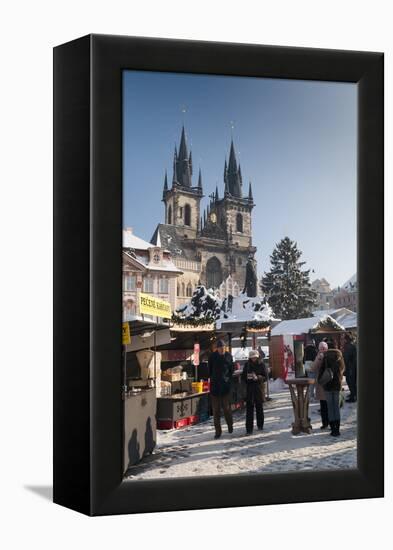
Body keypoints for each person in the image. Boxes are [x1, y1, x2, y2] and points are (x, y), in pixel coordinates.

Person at [318, 339, 345, 436]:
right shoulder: (339, 356)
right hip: (337, 385)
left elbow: (321, 372)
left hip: (328, 386)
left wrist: (321, 381)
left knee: (330, 407)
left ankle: (332, 429)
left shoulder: (325, 357)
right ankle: (337, 429)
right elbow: (343, 369)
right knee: (336, 408)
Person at [208, 340, 234, 439]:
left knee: (227, 409)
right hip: (215, 388)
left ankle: (230, 425)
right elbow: (209, 370)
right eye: (220, 348)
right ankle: (218, 432)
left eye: (223, 348)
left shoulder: (228, 356)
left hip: (225, 387)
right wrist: (214, 378)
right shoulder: (212, 357)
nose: (222, 349)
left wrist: (227, 379)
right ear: (217, 348)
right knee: (216, 411)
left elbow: (231, 370)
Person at [241, 349, 268, 434]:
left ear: (257, 357)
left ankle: (260, 425)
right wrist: (248, 377)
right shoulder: (247, 364)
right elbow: (243, 377)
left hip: (259, 389)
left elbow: (266, 377)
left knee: (259, 408)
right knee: (249, 410)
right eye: (252, 358)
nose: (253, 359)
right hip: (250, 389)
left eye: (255, 357)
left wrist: (258, 377)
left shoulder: (262, 364)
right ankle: (249, 429)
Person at [311, 341, 329, 429]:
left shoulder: (325, 356)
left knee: (325, 405)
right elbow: (313, 368)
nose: (322, 350)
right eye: (321, 348)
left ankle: (327, 423)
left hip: (325, 383)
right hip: (325, 384)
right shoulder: (322, 356)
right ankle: (327, 423)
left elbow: (313, 368)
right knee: (325, 405)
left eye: (323, 348)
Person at [343, 333, 357, 402]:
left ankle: (353, 396)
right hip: (353, 366)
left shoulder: (349, 346)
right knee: (353, 382)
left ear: (346, 339)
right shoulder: (352, 345)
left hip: (350, 367)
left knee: (350, 382)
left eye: (344, 339)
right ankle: (353, 394)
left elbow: (346, 358)